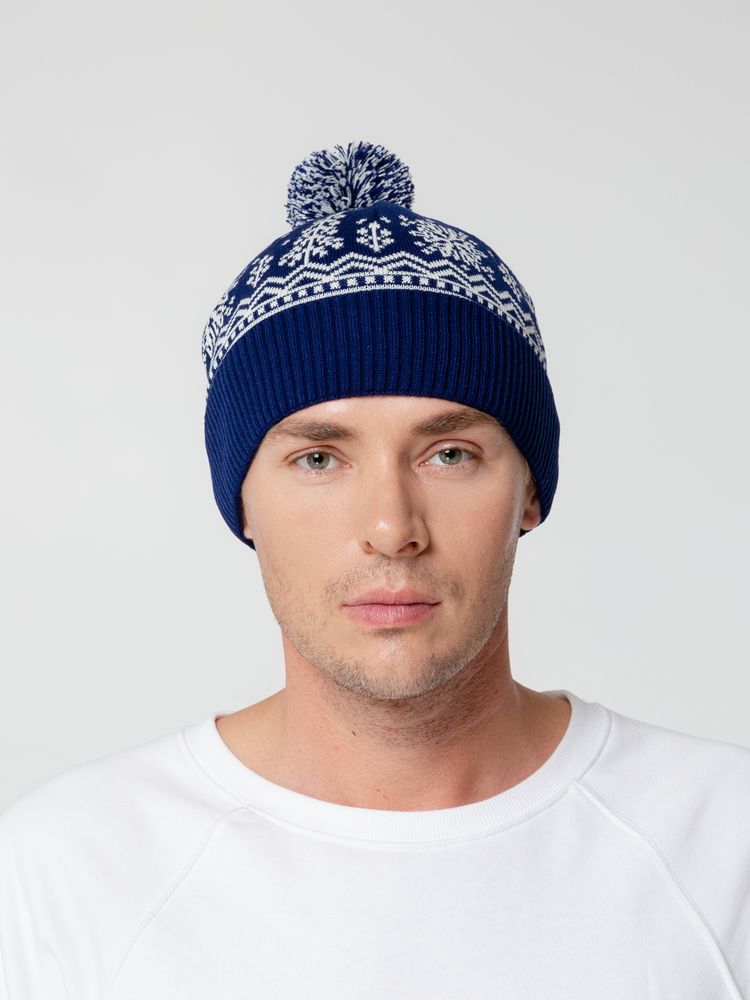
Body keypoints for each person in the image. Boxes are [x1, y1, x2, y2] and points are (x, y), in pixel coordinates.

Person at [1, 140, 748, 999]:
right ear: (242, 505)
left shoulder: (723, 844)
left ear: (531, 491)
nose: (392, 529)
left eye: (450, 454)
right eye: (320, 459)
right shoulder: (68, 873)